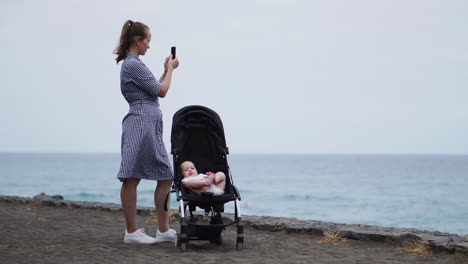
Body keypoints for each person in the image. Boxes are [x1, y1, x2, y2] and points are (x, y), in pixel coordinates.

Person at [114, 20, 179, 244]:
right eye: (147, 41)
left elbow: (153, 89)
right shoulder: (132, 64)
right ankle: (131, 232)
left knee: (166, 177)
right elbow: (161, 91)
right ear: (137, 40)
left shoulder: (135, 64)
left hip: (148, 124)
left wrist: (164, 70)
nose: (149, 46)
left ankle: (163, 229)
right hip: (140, 123)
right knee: (132, 176)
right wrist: (171, 69)